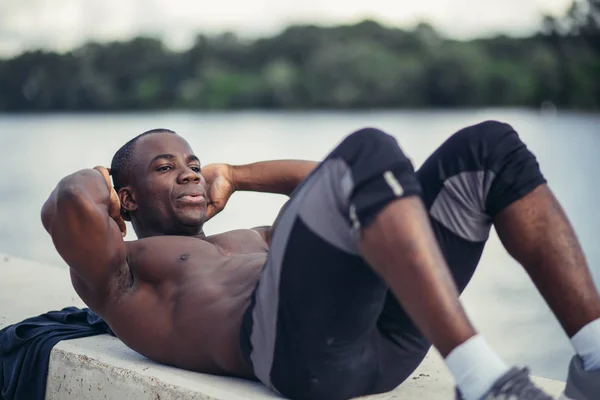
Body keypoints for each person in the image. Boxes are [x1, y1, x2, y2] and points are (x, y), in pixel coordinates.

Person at [41, 122, 600, 400]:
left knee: (490, 147)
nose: (189, 171)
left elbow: (356, 183)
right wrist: (104, 180)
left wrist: (236, 175)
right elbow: (68, 204)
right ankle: (483, 379)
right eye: (164, 167)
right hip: (292, 354)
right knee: (369, 149)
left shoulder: (255, 237)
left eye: (193, 161)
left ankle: (594, 358)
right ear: (128, 196)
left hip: (385, 342)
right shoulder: (123, 269)